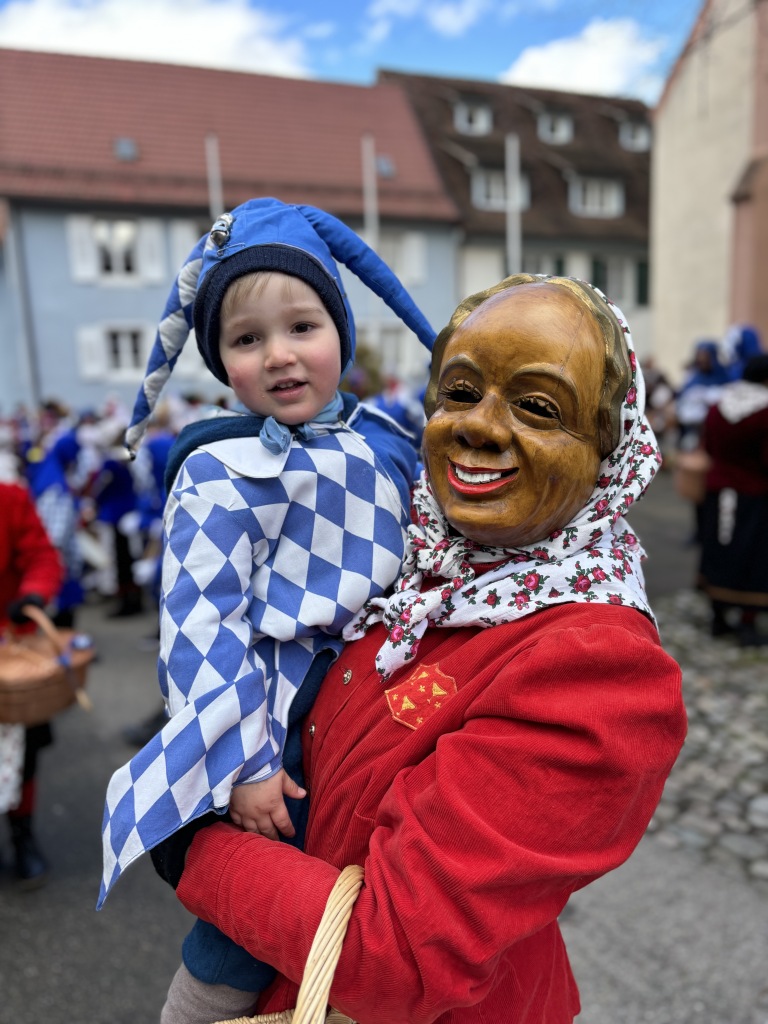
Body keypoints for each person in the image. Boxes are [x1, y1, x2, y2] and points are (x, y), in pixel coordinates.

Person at [146, 273, 687, 1024]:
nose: (479, 427)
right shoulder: (423, 570)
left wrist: (192, 849)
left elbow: (391, 953)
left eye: (536, 406)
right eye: (460, 393)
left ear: (608, 451)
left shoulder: (598, 669)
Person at [99, 198, 436, 1017]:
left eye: (303, 327)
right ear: (220, 360)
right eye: (247, 340)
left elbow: (434, 548)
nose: (280, 356)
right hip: (278, 713)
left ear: (343, 335)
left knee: (392, 895)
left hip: (384, 693)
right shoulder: (218, 468)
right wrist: (245, 763)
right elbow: (201, 622)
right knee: (254, 920)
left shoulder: (389, 441)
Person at [0, 480, 64, 888]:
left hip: (10, 650)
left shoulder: (9, 498)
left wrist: (33, 594)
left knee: (26, 753)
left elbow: (41, 556)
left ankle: (22, 837)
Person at [698, 353, 768, 645]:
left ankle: (718, 617)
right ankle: (747, 622)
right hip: (754, 497)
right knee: (753, 557)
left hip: (718, 492)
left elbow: (709, 448)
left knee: (718, 550)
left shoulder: (718, 405)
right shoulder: (764, 411)